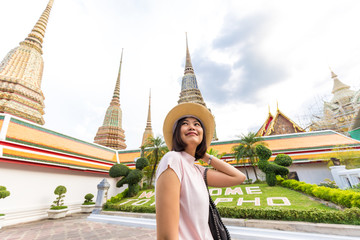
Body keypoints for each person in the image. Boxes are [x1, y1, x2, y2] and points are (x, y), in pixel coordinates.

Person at [155, 102, 246, 240]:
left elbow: (238, 177)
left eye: (197, 124)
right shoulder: (172, 160)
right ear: (176, 133)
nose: (192, 126)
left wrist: (204, 155)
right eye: (185, 123)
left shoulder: (198, 170)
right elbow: (167, 236)